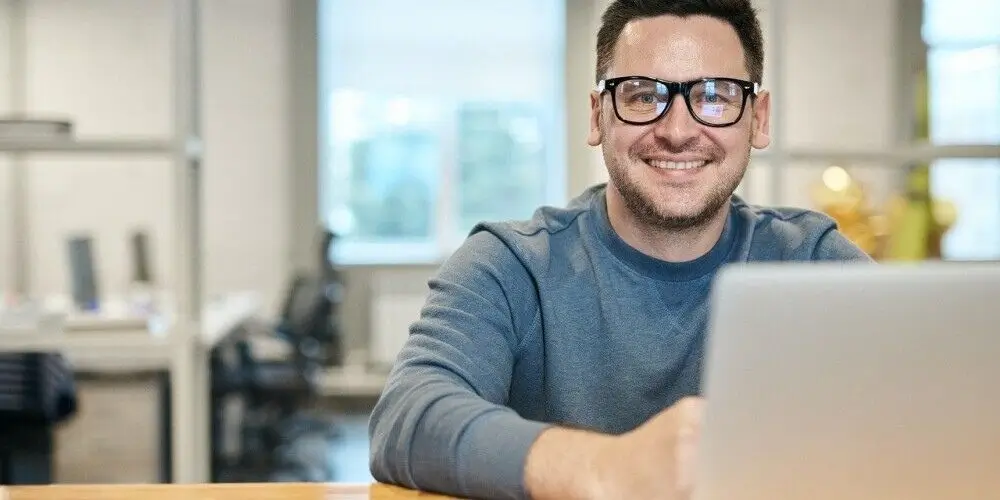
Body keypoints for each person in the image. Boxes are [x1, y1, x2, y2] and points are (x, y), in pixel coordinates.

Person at [368, 0, 872, 499]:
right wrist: (607, 467)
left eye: (715, 96)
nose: (677, 131)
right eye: (641, 96)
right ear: (597, 115)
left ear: (757, 119)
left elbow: (938, 407)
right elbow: (409, 416)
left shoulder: (812, 262)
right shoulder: (511, 265)